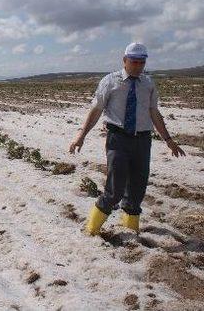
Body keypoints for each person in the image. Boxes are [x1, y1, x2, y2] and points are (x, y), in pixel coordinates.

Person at [69, 42, 186, 235]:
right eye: (134, 62)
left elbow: (154, 112)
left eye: (142, 62)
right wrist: (81, 136)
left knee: (137, 189)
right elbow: (96, 110)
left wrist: (168, 140)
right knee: (115, 189)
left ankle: (130, 229)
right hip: (118, 139)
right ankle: (91, 230)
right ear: (124, 61)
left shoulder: (148, 83)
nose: (139, 66)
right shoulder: (110, 81)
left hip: (142, 141)